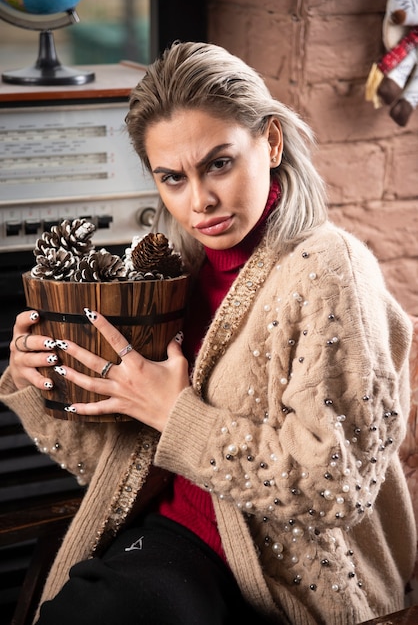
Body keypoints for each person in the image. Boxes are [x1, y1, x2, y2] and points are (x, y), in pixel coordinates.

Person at [0, 41, 416, 625]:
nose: (200, 201)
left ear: (270, 142)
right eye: (172, 178)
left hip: (281, 581)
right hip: (168, 544)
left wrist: (177, 415)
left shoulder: (328, 268)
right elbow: (115, 470)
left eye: (218, 163)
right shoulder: (173, 273)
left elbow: (337, 485)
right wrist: (44, 386)